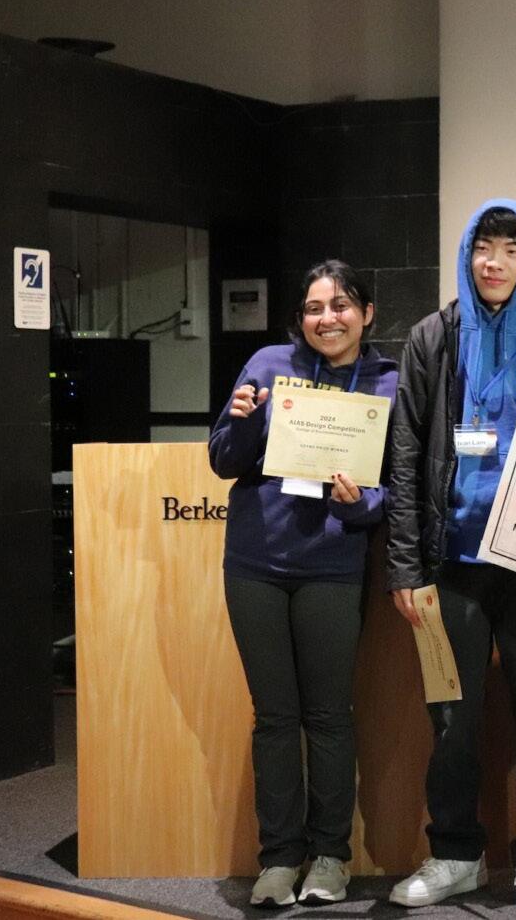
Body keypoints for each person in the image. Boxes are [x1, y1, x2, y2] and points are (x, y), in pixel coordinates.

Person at [385, 200, 516, 918]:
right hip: (452, 561)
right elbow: (405, 451)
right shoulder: (432, 338)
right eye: (485, 247)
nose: (495, 262)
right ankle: (456, 854)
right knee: (452, 717)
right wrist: (406, 567)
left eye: (512, 249)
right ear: (467, 255)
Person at [207, 260, 398, 907]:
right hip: (255, 564)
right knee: (274, 718)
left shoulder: (388, 381)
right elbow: (223, 460)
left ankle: (330, 858)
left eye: (341, 306)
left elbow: (394, 489)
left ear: (366, 314)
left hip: (332, 566)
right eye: (315, 308)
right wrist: (241, 420)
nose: (327, 318)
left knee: (328, 717)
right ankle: (279, 859)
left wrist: (360, 504)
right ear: (301, 318)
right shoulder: (267, 364)